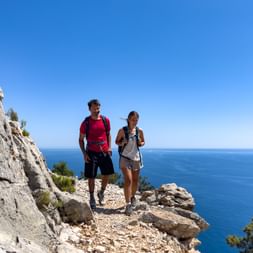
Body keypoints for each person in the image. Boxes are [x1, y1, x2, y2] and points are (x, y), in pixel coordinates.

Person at [79, 99, 114, 210]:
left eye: (98, 106)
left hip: (104, 151)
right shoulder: (86, 123)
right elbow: (80, 139)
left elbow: (108, 134)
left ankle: (101, 192)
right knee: (91, 177)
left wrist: (109, 147)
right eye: (94, 107)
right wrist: (84, 154)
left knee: (107, 174)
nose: (97, 108)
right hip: (91, 152)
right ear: (89, 109)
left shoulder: (105, 120)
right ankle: (91, 197)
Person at [115, 111, 145, 215]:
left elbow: (143, 142)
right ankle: (128, 204)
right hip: (125, 157)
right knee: (128, 179)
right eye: (133, 120)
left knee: (135, 180)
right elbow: (116, 141)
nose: (135, 122)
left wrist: (140, 143)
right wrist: (122, 142)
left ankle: (132, 197)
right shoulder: (122, 130)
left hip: (136, 157)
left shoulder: (139, 130)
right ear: (128, 119)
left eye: (136, 120)